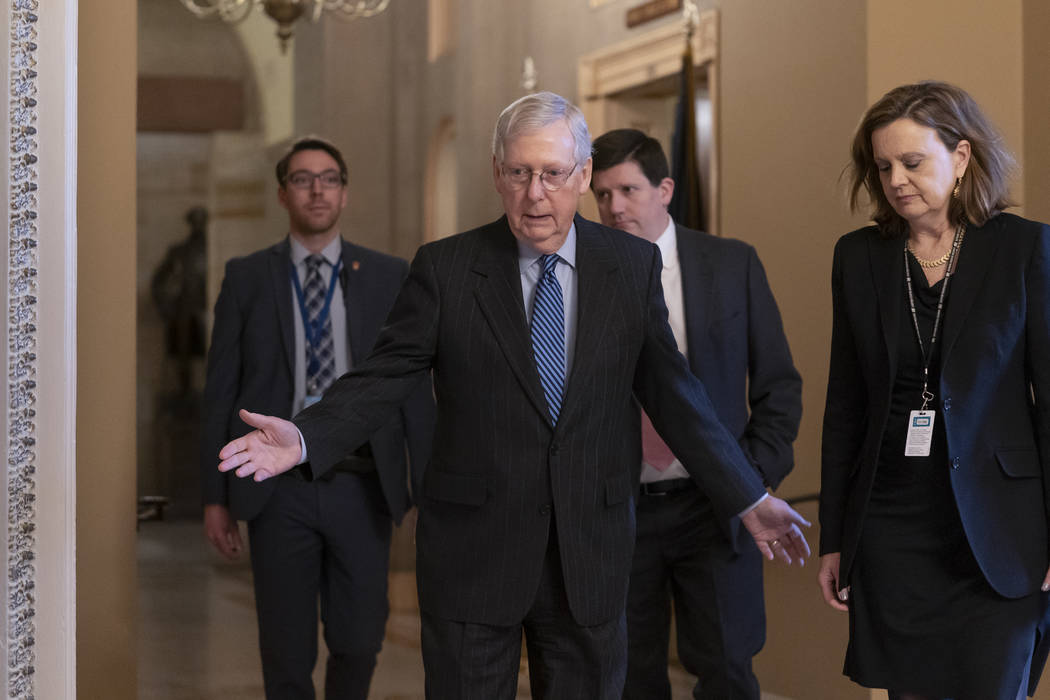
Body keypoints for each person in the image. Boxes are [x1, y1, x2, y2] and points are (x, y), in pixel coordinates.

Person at [216, 92, 811, 700]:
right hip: (474, 555)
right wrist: (307, 435)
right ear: (498, 174)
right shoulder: (446, 269)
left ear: (582, 176)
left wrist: (747, 495)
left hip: (590, 554)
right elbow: (384, 376)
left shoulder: (629, 267)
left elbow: (675, 395)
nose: (536, 193)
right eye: (520, 172)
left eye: (553, 174)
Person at [817, 81, 1050, 700]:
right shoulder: (858, 256)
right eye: (883, 165)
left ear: (963, 156)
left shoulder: (1024, 248)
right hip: (891, 528)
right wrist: (835, 538)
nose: (895, 180)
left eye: (912, 162)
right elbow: (845, 406)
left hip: (1000, 530)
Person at [200, 136, 434, 700]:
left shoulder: (387, 275)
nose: (317, 189)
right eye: (302, 179)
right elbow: (221, 389)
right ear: (283, 194)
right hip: (277, 489)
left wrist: (426, 487)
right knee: (286, 648)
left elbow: (411, 388)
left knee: (359, 638)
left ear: (345, 193)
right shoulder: (247, 277)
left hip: (363, 483)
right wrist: (215, 496)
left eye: (329, 178)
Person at [590, 128, 802, 699]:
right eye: (601, 194)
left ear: (665, 189)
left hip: (716, 510)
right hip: (621, 511)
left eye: (627, 190)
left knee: (729, 668)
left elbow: (779, 387)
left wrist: (749, 482)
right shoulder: (580, 275)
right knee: (630, 676)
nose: (613, 207)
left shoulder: (731, 264)